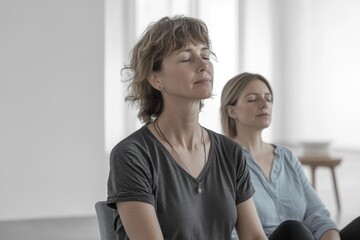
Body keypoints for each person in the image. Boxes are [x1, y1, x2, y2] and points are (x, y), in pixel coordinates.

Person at [106, 16, 267, 240]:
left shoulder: (231, 152)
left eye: (205, 56)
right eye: (186, 59)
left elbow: (254, 237)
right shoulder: (132, 155)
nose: (203, 66)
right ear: (155, 78)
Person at [220, 72, 360, 240]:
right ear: (231, 111)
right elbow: (227, 231)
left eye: (268, 98)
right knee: (293, 229)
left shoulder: (286, 156)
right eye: (252, 99)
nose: (264, 104)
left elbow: (318, 215)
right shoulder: (225, 160)